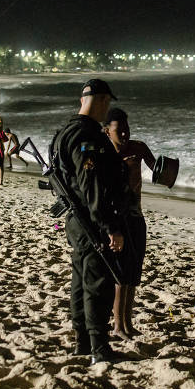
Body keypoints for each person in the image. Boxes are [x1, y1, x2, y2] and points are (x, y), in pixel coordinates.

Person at [52, 79, 130, 365]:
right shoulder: (86, 136)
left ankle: (82, 342)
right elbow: (92, 185)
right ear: (99, 100)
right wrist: (110, 226)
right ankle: (99, 347)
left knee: (80, 279)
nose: (107, 108)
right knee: (97, 282)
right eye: (107, 102)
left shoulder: (64, 133)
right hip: (92, 220)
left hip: (77, 218)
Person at [103, 107, 156, 340]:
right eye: (119, 130)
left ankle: (128, 323)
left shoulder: (139, 148)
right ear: (106, 131)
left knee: (134, 274)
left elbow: (160, 171)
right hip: (117, 220)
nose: (124, 134)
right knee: (120, 275)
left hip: (137, 217)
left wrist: (168, 170)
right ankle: (117, 326)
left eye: (127, 129)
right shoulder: (103, 154)